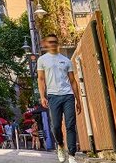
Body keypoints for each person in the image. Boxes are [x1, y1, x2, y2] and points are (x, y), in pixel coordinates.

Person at [37, 34, 82, 163]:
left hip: (68, 96)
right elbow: (40, 79)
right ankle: (61, 145)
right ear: (46, 43)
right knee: (56, 126)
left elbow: (73, 81)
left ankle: (72, 155)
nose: (52, 44)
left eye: (55, 42)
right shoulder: (42, 60)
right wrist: (42, 96)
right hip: (53, 96)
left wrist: (78, 100)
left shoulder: (66, 60)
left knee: (70, 125)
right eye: (50, 42)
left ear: (58, 43)